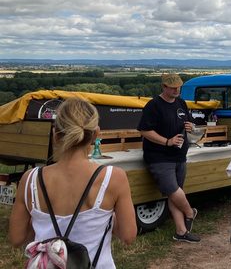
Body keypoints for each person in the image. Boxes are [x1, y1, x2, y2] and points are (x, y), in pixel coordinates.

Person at [8, 97, 137, 267]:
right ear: (96, 134)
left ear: (55, 134)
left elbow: (16, 238)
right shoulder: (113, 177)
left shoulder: (30, 179)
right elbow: (128, 236)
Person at [137, 73, 200, 243]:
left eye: (178, 87)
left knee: (175, 194)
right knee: (173, 190)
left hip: (180, 155)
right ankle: (189, 213)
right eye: (172, 88)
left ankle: (181, 232)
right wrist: (167, 141)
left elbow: (191, 125)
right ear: (163, 87)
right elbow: (144, 130)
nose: (176, 90)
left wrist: (191, 126)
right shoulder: (154, 105)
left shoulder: (181, 103)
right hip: (159, 157)